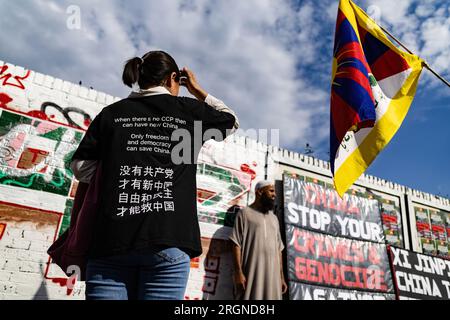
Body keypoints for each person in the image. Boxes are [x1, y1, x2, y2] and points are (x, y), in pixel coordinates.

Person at [70, 50, 239, 300]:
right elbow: (231, 121)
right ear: (174, 78)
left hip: (110, 241)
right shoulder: (190, 110)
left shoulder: (112, 113)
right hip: (168, 240)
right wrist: (196, 89)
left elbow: (81, 167)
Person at [229, 180, 288, 300]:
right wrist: (238, 272)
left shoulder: (274, 219)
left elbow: (279, 250)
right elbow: (236, 244)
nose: (274, 195)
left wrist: (281, 277)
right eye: (271, 191)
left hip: (273, 277)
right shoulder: (244, 214)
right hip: (252, 273)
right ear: (260, 192)